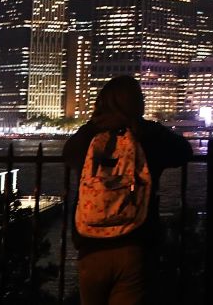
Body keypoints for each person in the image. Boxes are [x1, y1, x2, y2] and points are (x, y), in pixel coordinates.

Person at [64, 75, 192, 305]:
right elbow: (184, 151)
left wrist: (95, 124)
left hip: (91, 247)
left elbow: (68, 154)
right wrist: (147, 127)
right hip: (135, 243)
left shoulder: (88, 137)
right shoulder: (147, 137)